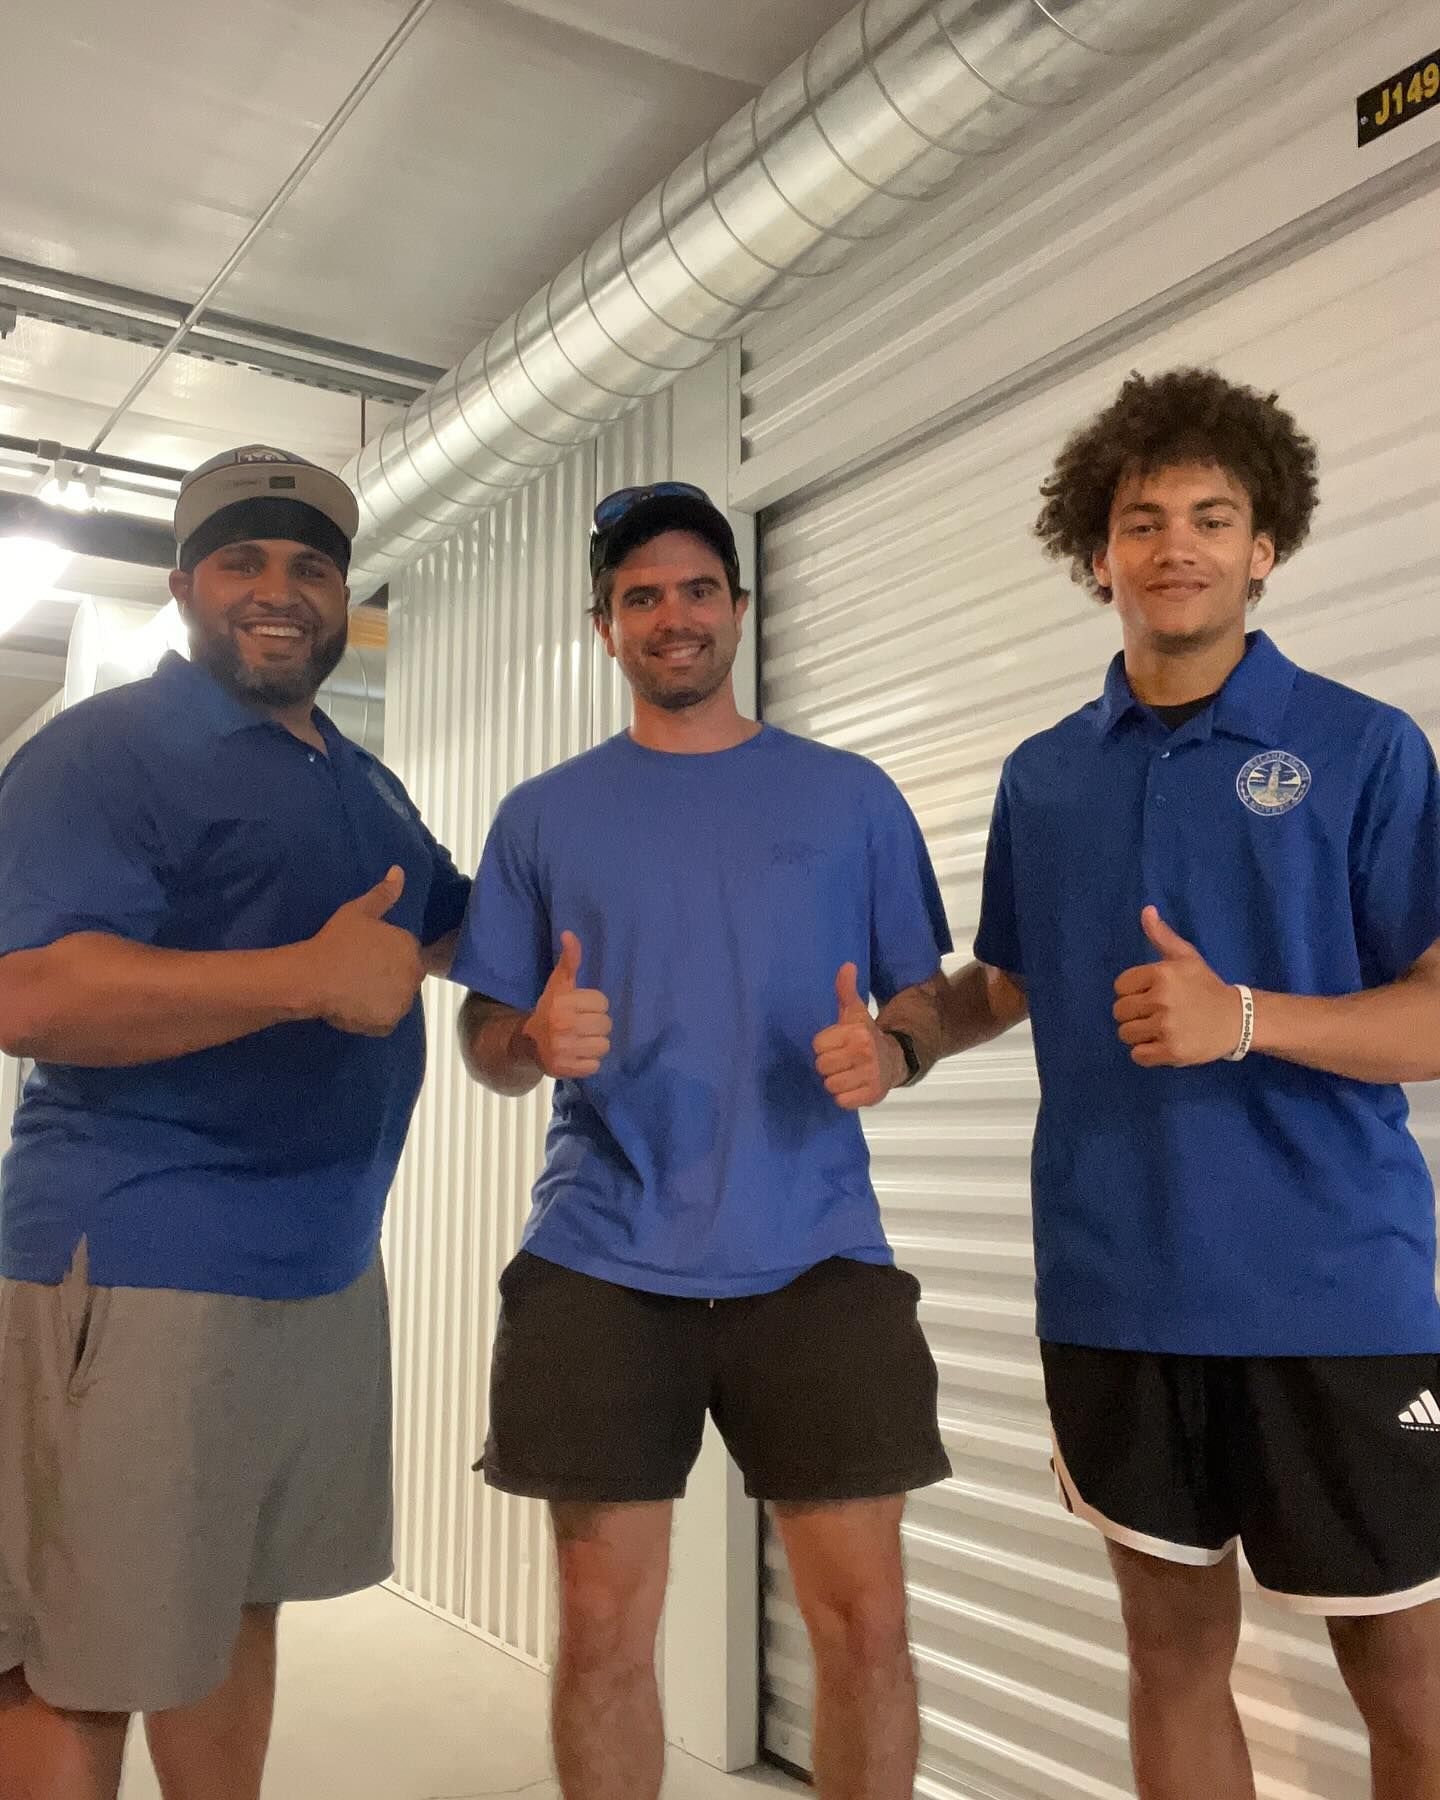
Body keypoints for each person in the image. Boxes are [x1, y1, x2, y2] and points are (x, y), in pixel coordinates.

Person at [924, 368, 1440, 1799]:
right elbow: (1016, 981)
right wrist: (906, 1038)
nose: (1177, 547)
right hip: (1116, 1286)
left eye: (1214, 517)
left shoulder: (1362, 748)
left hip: (1335, 1288)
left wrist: (1249, 1019)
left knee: (1415, 1685)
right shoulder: (1044, 776)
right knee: (1169, 1662)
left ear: (1267, 546)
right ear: (1098, 557)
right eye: (1141, 520)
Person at [453, 481, 952, 1800]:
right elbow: (486, 1042)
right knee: (605, 1631)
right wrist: (526, 1042)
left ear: (738, 607)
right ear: (603, 627)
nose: (671, 618)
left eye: (694, 591)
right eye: (640, 598)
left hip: (819, 1252)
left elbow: (924, 993)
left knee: (868, 1631)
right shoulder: (545, 816)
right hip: (603, 1259)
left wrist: (895, 1048)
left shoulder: (851, 798)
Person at [0, 445, 472, 1800]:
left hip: (315, 1266)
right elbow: (30, 993)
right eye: (244, 563)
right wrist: (300, 981)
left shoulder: (354, 779)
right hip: (142, 1264)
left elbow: (461, 924)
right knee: (79, 1649)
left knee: (231, 1605)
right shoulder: (105, 751)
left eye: (310, 567)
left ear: (343, 597)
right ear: (184, 587)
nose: (280, 592)